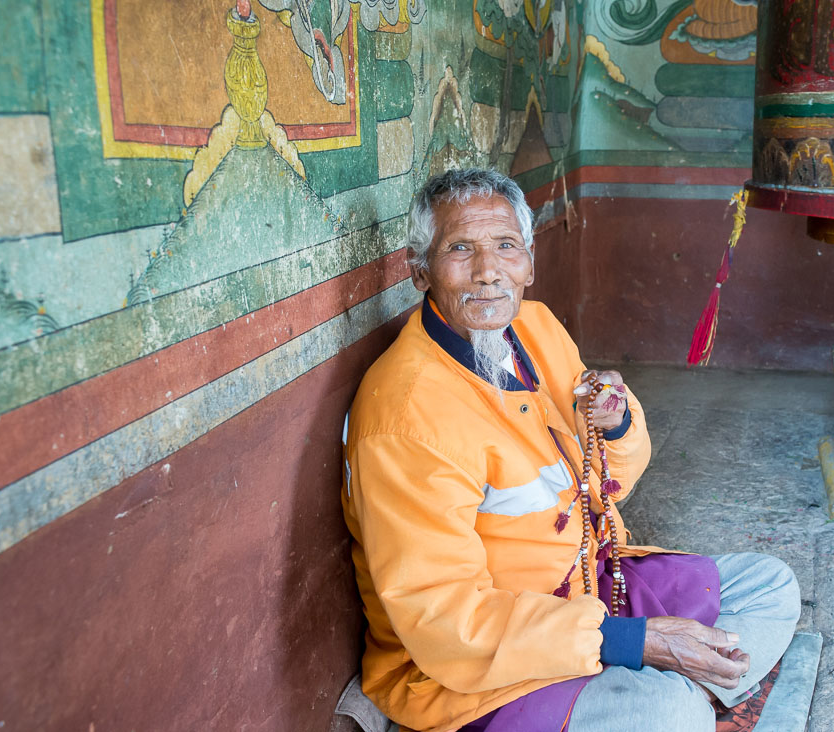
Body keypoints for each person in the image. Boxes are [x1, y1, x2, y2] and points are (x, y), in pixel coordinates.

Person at [341, 168, 800, 732]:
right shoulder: (406, 414)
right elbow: (443, 618)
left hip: (592, 585)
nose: (488, 273)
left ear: (529, 264)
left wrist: (613, 424)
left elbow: (608, 485)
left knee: (771, 586)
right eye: (460, 249)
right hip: (480, 668)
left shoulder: (535, 328)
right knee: (670, 712)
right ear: (419, 271)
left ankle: (653, 689)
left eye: (506, 247)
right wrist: (629, 641)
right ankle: (669, 694)